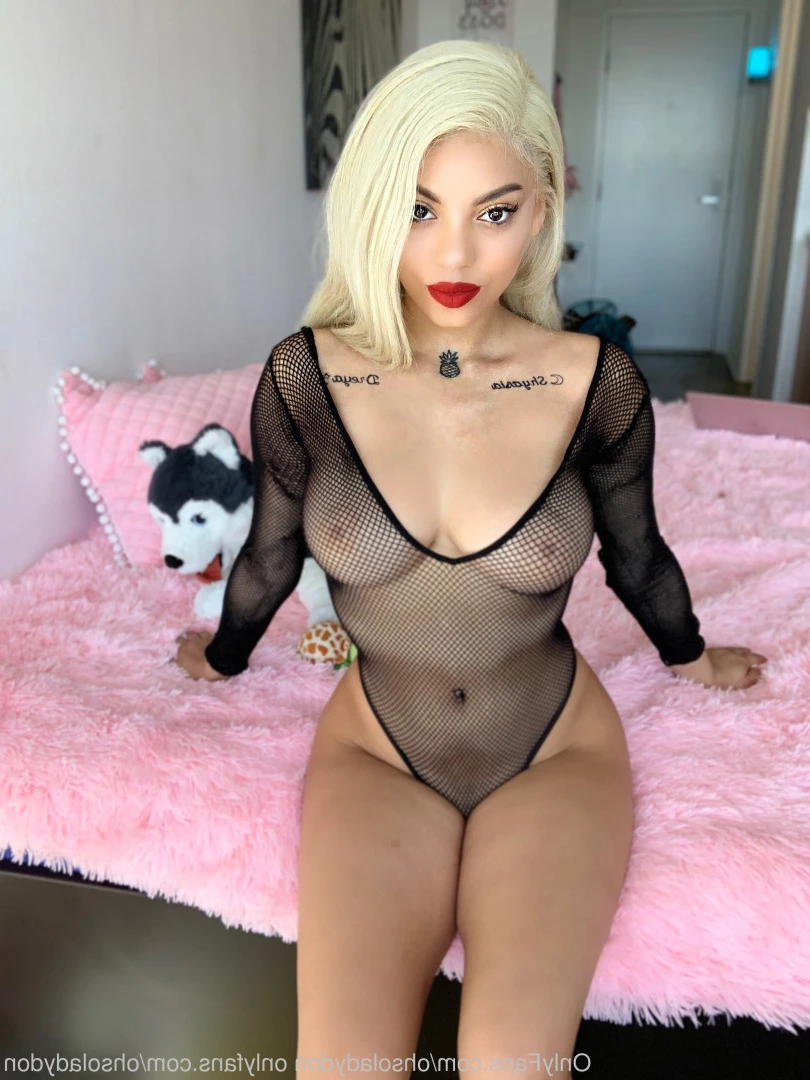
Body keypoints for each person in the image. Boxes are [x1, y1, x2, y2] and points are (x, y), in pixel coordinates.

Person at [174, 39, 767, 1074]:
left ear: (541, 213)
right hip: (379, 748)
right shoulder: (306, 379)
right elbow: (268, 552)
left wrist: (694, 658)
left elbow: (637, 557)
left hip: (553, 749)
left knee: (509, 1063)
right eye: (419, 208)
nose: (456, 255)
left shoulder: (596, 382)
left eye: (495, 212)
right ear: (372, 207)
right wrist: (220, 658)